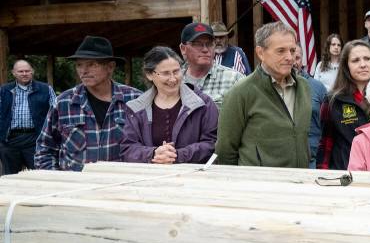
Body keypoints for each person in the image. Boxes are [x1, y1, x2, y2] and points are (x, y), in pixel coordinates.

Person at [35, 36, 142, 171]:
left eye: (92, 64)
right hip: (75, 186)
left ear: (110, 67)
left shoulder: (135, 100)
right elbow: (45, 149)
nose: (84, 71)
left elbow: (147, 146)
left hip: (121, 184)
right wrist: (57, 181)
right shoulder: (64, 102)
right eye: (79, 64)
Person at [215, 22, 312, 168]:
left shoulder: (304, 87)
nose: (289, 57)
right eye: (281, 51)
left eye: (292, 51)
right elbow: (225, 150)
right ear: (260, 53)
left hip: (300, 181)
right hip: (259, 186)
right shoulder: (241, 92)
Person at [121, 46, 218, 164]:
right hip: (148, 178)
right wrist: (153, 154)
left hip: (193, 177)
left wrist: (177, 155)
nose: (173, 79)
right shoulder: (136, 107)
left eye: (176, 71)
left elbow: (212, 143)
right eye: (166, 73)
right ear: (150, 75)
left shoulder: (203, 104)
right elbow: (128, 149)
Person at [317, 40, 370, 170]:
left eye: (367, 59)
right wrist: (324, 175)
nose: (363, 64)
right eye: (355, 60)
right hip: (345, 174)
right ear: (346, 65)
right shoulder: (333, 100)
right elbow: (325, 143)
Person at [0, 59, 57, 175]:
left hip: (36, 140)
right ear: (14, 73)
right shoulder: (4, 90)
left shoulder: (45, 89)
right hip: (9, 141)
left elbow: (56, 114)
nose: (24, 74)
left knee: (40, 175)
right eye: (21, 71)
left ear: (32, 72)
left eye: (27, 71)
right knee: (10, 178)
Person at [179, 22, 244, 109]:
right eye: (198, 44)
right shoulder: (174, 81)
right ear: (183, 49)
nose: (205, 49)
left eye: (209, 44)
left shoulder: (235, 79)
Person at [294, 48, 328, 168]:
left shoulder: (318, 88)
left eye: (297, 58)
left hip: (312, 159)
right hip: (281, 160)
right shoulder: (273, 87)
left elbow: (327, 125)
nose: (293, 61)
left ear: (302, 60)